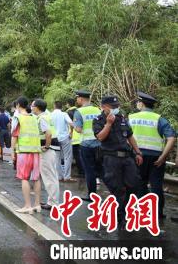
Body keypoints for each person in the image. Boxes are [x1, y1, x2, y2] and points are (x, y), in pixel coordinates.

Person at [94, 94, 143, 227]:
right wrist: (108, 123)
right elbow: (100, 137)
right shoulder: (99, 119)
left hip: (127, 157)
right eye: (113, 107)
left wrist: (138, 152)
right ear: (104, 107)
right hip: (111, 158)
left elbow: (130, 136)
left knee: (134, 183)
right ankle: (119, 217)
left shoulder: (122, 118)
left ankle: (122, 210)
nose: (116, 108)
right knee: (118, 188)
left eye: (117, 106)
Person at [128, 91, 177, 219]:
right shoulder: (159, 119)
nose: (137, 104)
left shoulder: (131, 118)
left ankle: (141, 210)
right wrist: (163, 156)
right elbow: (171, 138)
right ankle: (157, 213)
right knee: (156, 185)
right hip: (156, 157)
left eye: (138, 102)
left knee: (140, 184)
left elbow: (124, 137)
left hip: (136, 156)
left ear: (141, 104)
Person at [11, 96, 44, 213]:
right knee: (36, 178)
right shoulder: (34, 117)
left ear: (18, 105)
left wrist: (12, 151)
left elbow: (14, 136)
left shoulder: (18, 118)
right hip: (36, 151)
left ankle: (27, 206)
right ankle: (37, 205)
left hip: (24, 152)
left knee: (24, 178)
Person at [73, 89, 102, 201]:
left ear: (80, 99)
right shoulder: (98, 110)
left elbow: (79, 129)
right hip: (99, 144)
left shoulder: (79, 112)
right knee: (102, 170)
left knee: (89, 171)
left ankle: (92, 195)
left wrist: (74, 125)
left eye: (77, 98)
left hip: (86, 145)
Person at [31, 99, 59, 210]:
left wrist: (46, 146)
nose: (31, 107)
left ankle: (53, 203)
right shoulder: (46, 115)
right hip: (52, 148)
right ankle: (51, 201)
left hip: (48, 149)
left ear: (37, 107)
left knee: (49, 176)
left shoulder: (42, 118)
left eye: (32, 105)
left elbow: (48, 133)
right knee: (51, 175)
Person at [50, 100, 75, 182]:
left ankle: (59, 176)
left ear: (54, 106)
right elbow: (71, 123)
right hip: (64, 137)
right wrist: (71, 132)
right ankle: (67, 176)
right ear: (62, 107)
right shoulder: (64, 114)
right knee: (67, 157)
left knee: (57, 157)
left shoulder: (50, 115)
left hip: (54, 138)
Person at [66, 99, 85, 177]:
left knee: (77, 156)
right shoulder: (78, 111)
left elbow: (71, 124)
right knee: (82, 156)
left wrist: (70, 133)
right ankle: (83, 171)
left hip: (74, 136)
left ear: (68, 104)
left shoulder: (68, 112)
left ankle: (81, 172)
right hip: (81, 137)